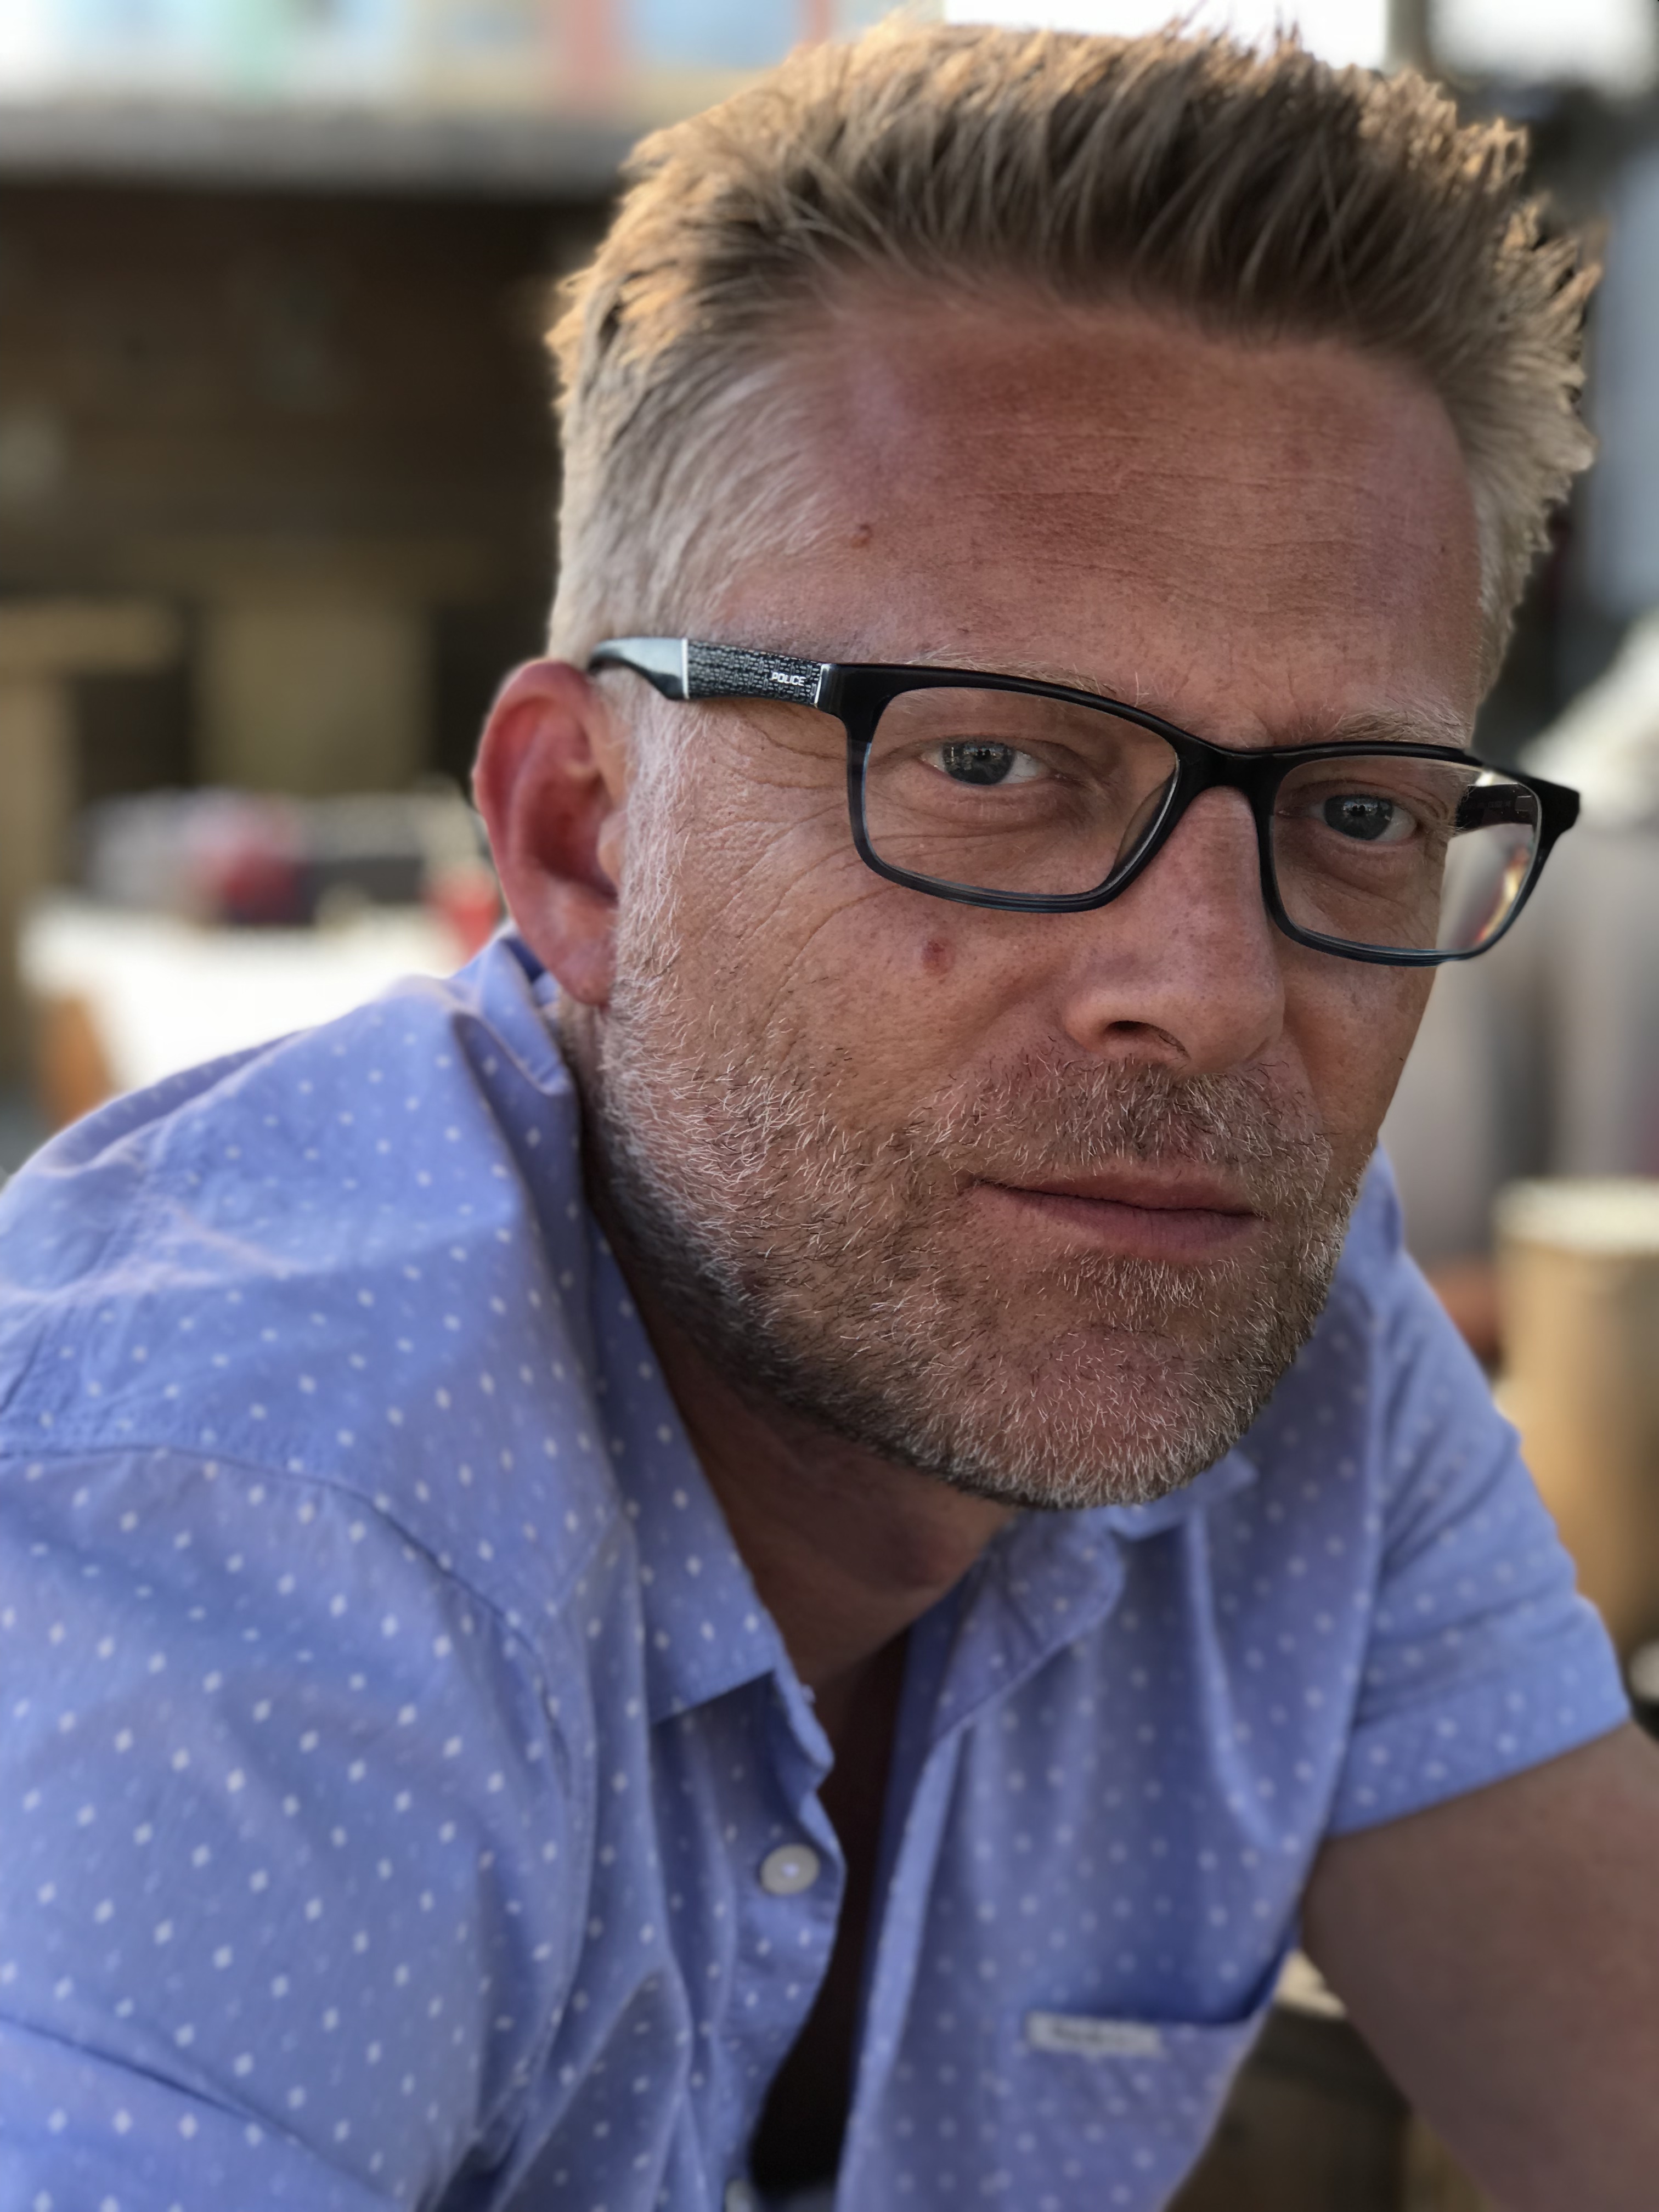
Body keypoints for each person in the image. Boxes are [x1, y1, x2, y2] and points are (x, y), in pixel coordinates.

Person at [2, 25, 1657, 2212]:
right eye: (988, 763)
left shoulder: (1287, 1356)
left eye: (1355, 811)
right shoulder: (219, 1533)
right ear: (582, 837)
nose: (1213, 991)